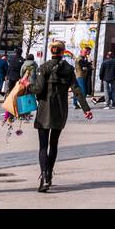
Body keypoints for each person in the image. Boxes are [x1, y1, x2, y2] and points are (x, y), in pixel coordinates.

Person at [25, 40, 93, 191]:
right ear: (62, 52)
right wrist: (86, 108)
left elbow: (38, 89)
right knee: (54, 144)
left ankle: (44, 177)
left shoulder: (44, 67)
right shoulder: (69, 69)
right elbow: (77, 90)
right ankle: (49, 173)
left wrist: (26, 85)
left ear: (51, 51)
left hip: (44, 110)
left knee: (43, 146)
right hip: (61, 110)